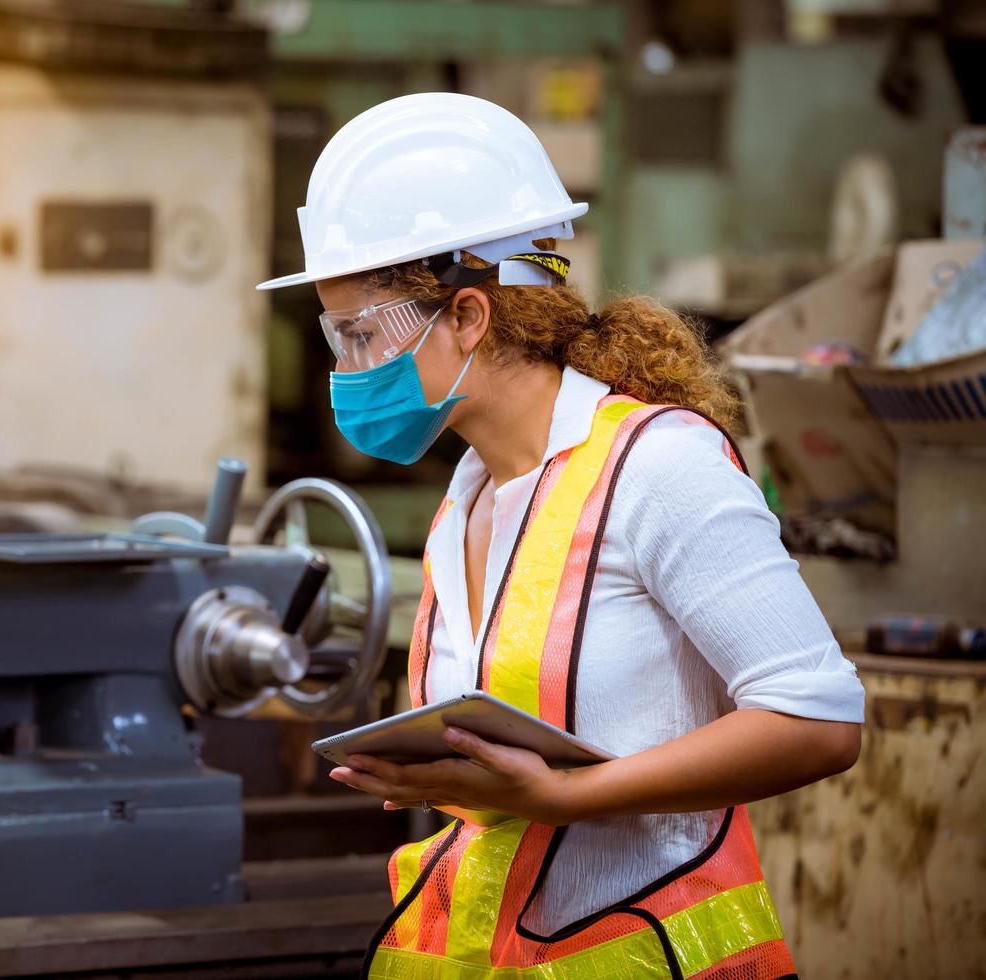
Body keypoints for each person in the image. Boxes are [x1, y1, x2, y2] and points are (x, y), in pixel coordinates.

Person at [257, 93, 863, 980]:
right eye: (334, 336)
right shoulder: (467, 497)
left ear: (468, 316)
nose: (345, 371)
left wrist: (569, 794)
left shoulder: (659, 468)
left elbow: (819, 719)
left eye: (361, 334)